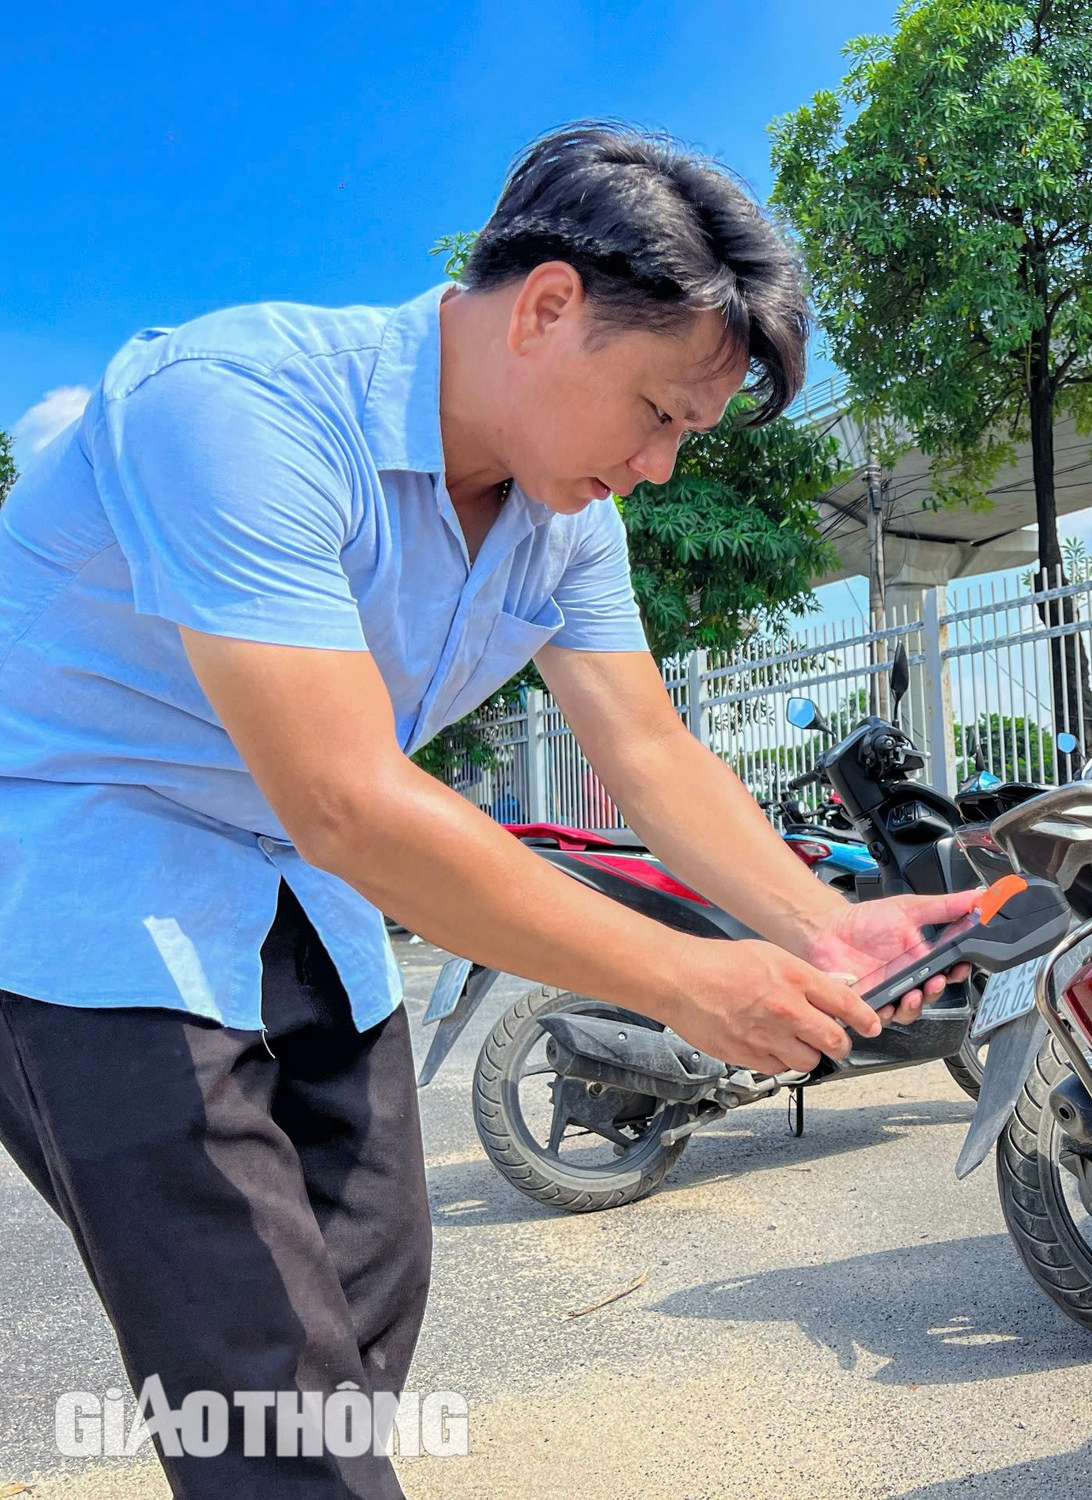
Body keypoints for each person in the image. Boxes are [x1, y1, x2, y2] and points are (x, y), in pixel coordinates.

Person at [0, 122, 978, 1498]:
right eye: (658, 414)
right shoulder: (237, 405)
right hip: (91, 893)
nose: (661, 468)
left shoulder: (564, 521)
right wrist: (687, 980)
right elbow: (346, 796)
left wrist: (829, 932)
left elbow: (648, 751)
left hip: (300, 896)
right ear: (548, 306)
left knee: (361, 1306)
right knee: (270, 1383)